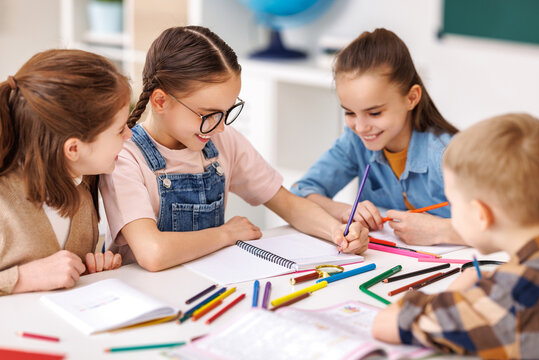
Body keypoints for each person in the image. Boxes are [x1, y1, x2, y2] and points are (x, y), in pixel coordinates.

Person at [100, 26, 368, 272]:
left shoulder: (220, 140)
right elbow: (153, 253)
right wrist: (226, 234)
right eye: (209, 115)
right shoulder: (124, 157)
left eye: (227, 113)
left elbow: (289, 204)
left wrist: (338, 231)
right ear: (160, 101)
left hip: (211, 282)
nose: (219, 127)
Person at [372, 113, 539, 358]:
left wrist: (456, 294)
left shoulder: (509, 297)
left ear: (481, 214)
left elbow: (386, 324)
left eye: (452, 202)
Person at [291, 28, 463, 246]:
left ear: (411, 98)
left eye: (374, 113)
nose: (361, 127)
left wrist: (441, 230)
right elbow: (300, 193)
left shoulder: (449, 155)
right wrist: (346, 212)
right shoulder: (355, 142)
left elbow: (510, 224)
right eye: (350, 112)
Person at [0, 49, 132, 296]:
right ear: (73, 148)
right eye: (120, 129)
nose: (129, 135)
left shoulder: (82, 183)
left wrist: (87, 271)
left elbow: (59, 274)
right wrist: (21, 279)